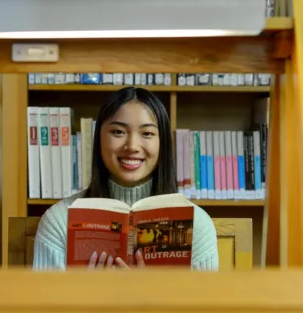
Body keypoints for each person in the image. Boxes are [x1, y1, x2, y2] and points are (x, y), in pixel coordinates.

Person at [32, 86, 219, 270]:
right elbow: (44, 300)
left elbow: (207, 300)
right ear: (99, 139)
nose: (132, 146)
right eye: (118, 132)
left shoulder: (198, 225)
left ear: (163, 144)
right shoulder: (59, 221)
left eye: (147, 134)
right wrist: (89, 293)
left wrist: (147, 294)